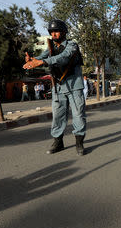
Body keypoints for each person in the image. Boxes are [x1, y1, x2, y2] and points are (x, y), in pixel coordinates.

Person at [23, 19, 87, 156]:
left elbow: (63, 58)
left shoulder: (72, 45)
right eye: (52, 32)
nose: (54, 34)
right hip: (58, 87)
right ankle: (58, 142)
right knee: (57, 116)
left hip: (74, 86)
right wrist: (31, 60)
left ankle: (79, 142)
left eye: (56, 31)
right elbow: (41, 57)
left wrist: (42, 62)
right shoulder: (51, 47)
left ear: (64, 32)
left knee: (78, 115)